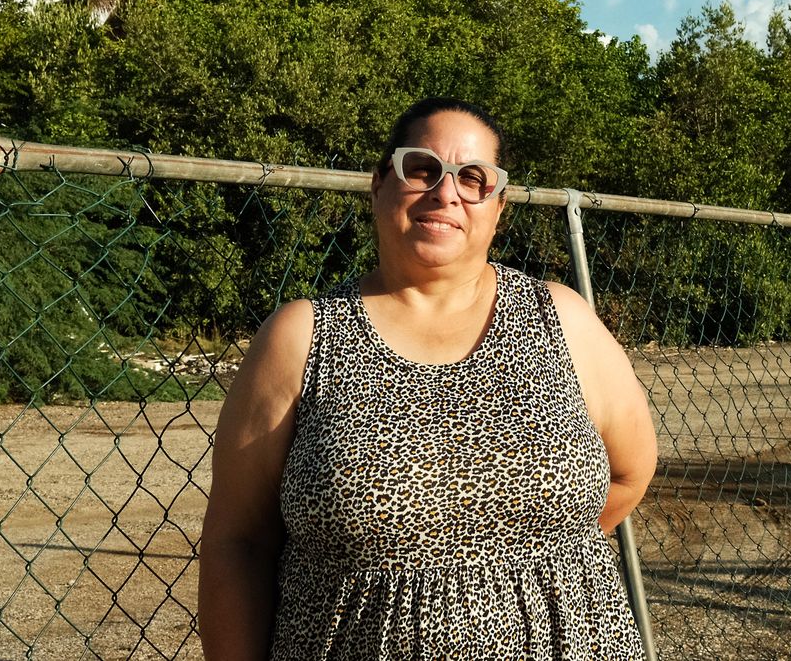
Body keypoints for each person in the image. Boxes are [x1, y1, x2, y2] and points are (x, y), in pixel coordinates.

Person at [198, 97, 658, 660]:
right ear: (379, 184)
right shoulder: (300, 336)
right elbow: (237, 544)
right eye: (422, 169)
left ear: (498, 206)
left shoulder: (561, 318)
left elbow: (631, 472)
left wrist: (546, 561)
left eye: (472, 178)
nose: (446, 193)